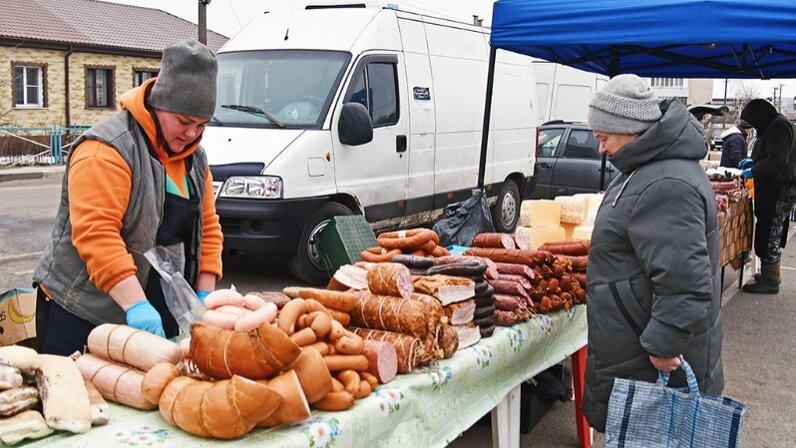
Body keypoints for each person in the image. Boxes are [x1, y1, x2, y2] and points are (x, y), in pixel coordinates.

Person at [33, 38, 224, 355]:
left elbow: (208, 230)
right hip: (81, 311)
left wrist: (205, 296)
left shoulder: (195, 160)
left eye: (201, 125)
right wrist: (136, 304)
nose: (192, 134)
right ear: (160, 105)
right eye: (184, 122)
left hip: (154, 309)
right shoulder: (107, 149)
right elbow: (98, 235)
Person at [582, 74, 723, 432]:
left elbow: (685, 283)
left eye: (604, 137)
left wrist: (663, 344)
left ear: (629, 129)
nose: (601, 148)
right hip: (634, 343)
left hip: (649, 357)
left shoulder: (665, 182)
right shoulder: (645, 168)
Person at [737, 99, 796, 294]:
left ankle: (770, 280)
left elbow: (776, 161)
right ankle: (768, 274)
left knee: (771, 229)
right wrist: (753, 161)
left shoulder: (779, 126)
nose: (753, 126)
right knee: (770, 227)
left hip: (779, 189)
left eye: (753, 122)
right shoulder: (775, 124)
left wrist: (753, 170)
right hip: (777, 187)